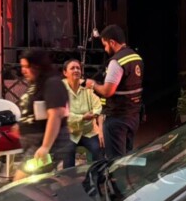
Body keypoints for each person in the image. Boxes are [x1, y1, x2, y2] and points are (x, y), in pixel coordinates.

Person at [85, 25, 144, 159]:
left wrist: (93, 84)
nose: (105, 49)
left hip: (117, 118)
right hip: (133, 116)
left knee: (115, 161)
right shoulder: (136, 57)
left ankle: (118, 174)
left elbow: (107, 91)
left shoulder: (116, 61)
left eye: (105, 45)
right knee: (127, 156)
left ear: (112, 42)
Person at [14, 50, 73, 180]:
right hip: (36, 145)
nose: (23, 71)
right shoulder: (36, 84)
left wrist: (45, 147)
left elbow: (55, 115)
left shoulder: (53, 83)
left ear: (37, 66)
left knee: (21, 180)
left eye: (26, 67)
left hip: (50, 146)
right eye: (22, 66)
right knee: (38, 181)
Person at [61, 59, 103, 168]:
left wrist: (100, 130)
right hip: (70, 133)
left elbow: (98, 107)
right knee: (67, 151)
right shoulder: (60, 89)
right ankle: (68, 177)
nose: (76, 70)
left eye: (78, 68)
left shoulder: (87, 86)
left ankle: (96, 175)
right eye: (72, 68)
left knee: (98, 148)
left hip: (88, 131)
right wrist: (82, 117)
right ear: (65, 73)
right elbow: (62, 114)